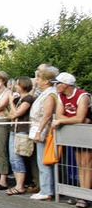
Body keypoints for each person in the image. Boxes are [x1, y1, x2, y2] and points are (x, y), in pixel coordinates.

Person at [51, 72, 92, 208]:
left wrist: (62, 121)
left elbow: (80, 117)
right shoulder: (61, 96)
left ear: (65, 85)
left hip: (86, 133)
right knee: (80, 164)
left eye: (58, 83)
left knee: (87, 164)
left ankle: (85, 195)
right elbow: (59, 114)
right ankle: (81, 193)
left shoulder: (82, 96)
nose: (55, 86)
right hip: (76, 133)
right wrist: (68, 120)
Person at [29, 66, 59, 201]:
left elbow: (47, 115)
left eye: (39, 78)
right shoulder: (46, 92)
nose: (37, 81)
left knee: (43, 161)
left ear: (47, 81)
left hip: (44, 130)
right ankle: (46, 188)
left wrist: (39, 132)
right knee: (42, 160)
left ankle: (47, 190)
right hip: (40, 127)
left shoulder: (50, 94)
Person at [5, 76, 35, 195]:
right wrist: (13, 108)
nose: (16, 86)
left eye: (17, 84)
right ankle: (18, 183)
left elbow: (16, 113)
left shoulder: (28, 99)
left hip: (22, 130)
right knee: (13, 158)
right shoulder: (19, 99)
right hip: (14, 129)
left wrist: (11, 102)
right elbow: (10, 115)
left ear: (23, 85)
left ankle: (20, 185)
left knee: (18, 158)